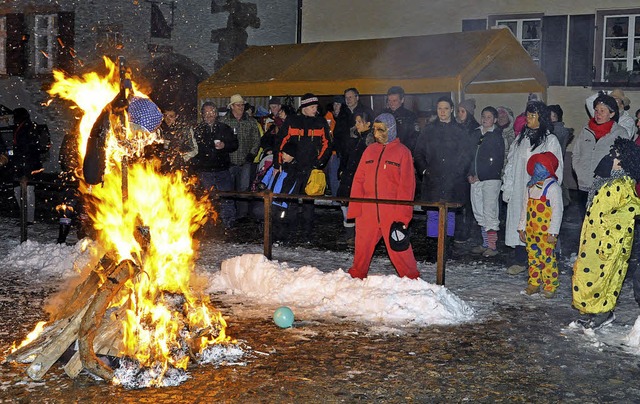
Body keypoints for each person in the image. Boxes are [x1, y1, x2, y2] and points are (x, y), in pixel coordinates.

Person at [572, 138, 640, 329]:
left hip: (607, 242)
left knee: (605, 277)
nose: (610, 158)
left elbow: (625, 215)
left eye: (615, 156)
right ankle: (592, 309)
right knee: (590, 275)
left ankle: (604, 311)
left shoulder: (622, 185)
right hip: (593, 240)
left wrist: (609, 242)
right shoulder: (604, 182)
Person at [347, 113, 419, 279]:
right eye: (375, 129)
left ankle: (411, 278)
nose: (376, 134)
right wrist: (356, 207)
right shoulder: (370, 150)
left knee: (398, 246)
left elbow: (407, 186)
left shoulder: (403, 152)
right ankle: (357, 275)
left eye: (381, 130)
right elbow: (359, 179)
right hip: (367, 210)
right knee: (362, 246)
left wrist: (402, 216)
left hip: (391, 211)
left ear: (391, 130)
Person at [502, 101, 563, 275]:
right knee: (520, 222)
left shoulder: (550, 140)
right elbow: (511, 164)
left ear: (541, 118)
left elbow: (556, 167)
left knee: (538, 225)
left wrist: (551, 191)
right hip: (521, 188)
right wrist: (508, 187)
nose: (528, 119)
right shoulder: (522, 138)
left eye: (532, 116)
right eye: (527, 115)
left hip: (540, 192)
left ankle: (541, 261)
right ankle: (521, 260)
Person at [414, 96, 475, 251]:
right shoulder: (429, 130)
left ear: (452, 110)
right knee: (433, 213)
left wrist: (458, 172)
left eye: (446, 108)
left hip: (452, 180)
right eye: (440, 108)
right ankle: (433, 246)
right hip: (432, 178)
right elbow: (418, 152)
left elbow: (467, 155)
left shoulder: (460, 130)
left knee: (449, 213)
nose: (442, 112)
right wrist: (425, 170)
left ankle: (446, 247)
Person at [275, 93, 332, 240]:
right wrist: (279, 162)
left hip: (310, 169)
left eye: (316, 107)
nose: (315, 110)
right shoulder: (292, 121)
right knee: (289, 200)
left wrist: (318, 163)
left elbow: (327, 144)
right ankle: (286, 232)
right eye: (312, 107)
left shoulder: (320, 122)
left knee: (308, 202)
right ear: (304, 108)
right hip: (293, 168)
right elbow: (280, 141)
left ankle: (307, 233)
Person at [572, 93, 626, 218]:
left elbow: (624, 161)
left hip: (605, 188)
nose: (598, 114)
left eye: (602, 111)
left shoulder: (620, 133)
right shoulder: (586, 130)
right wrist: (579, 171)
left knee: (601, 225)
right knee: (584, 222)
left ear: (612, 114)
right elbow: (576, 153)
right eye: (596, 110)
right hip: (584, 186)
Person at [519, 152, 563, 298]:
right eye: (536, 165)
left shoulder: (553, 188)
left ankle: (550, 285)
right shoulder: (530, 186)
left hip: (546, 234)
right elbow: (524, 207)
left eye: (542, 166)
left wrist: (553, 233)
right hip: (531, 231)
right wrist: (521, 228)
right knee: (533, 258)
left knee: (547, 259)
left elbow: (557, 211)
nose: (538, 168)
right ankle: (534, 283)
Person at [191, 102, 239, 231]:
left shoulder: (224, 128)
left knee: (226, 197)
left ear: (216, 113)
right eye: (206, 113)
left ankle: (228, 223)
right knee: (206, 197)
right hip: (205, 170)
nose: (209, 115)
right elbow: (192, 149)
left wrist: (225, 146)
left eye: (212, 112)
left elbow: (235, 144)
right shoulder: (197, 130)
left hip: (222, 169)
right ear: (202, 114)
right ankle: (206, 224)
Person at [468, 106, 504, 257]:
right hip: (475, 179)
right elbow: (469, 155)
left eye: (489, 117)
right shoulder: (476, 133)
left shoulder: (496, 136)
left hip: (490, 179)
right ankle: (484, 243)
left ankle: (492, 245)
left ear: (495, 120)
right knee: (479, 210)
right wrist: (469, 173)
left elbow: (496, 161)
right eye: (483, 116)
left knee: (490, 211)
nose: (485, 119)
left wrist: (481, 175)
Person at [220, 94, 261, 223]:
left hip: (245, 160)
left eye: (242, 105)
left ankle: (242, 215)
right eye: (238, 105)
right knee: (229, 188)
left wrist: (252, 154)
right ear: (232, 106)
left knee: (244, 188)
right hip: (229, 161)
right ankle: (230, 214)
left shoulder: (250, 121)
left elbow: (256, 139)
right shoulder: (224, 122)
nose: (241, 107)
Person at [337, 110, 374, 244]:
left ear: (368, 124)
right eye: (356, 122)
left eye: (360, 122)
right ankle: (349, 233)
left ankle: (360, 234)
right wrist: (341, 169)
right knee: (345, 205)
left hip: (359, 178)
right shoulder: (353, 138)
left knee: (358, 207)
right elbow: (346, 156)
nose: (357, 125)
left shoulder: (370, 142)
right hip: (348, 175)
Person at [256, 141, 300, 244]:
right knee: (271, 219)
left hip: (282, 202)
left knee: (281, 221)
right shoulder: (278, 166)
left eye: (286, 154)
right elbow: (268, 174)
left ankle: (281, 239)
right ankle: (271, 238)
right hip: (272, 199)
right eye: (283, 153)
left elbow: (292, 186)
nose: (283, 155)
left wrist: (284, 197)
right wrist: (263, 183)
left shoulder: (293, 170)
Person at [11, 108, 44, 224]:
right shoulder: (23, 127)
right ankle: (25, 217)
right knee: (19, 191)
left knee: (27, 192)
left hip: (28, 166)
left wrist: (25, 169)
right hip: (24, 165)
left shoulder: (27, 128)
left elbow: (26, 150)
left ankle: (28, 219)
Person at [158, 106, 198, 171]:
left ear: (176, 116)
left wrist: (182, 157)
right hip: (165, 168)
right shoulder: (161, 129)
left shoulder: (185, 129)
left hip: (182, 168)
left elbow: (194, 149)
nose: (167, 119)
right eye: (165, 116)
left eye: (171, 116)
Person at [382, 86, 419, 153]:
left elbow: (414, 138)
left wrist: (403, 151)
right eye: (389, 100)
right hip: (386, 151)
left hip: (403, 151)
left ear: (402, 100)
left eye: (394, 101)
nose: (391, 103)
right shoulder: (383, 115)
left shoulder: (410, 116)